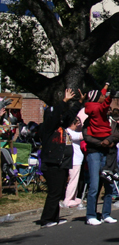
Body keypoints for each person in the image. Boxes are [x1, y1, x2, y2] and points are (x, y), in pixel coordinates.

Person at [39, 88, 83, 227]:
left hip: (61, 163)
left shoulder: (61, 126)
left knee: (59, 192)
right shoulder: (48, 128)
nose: (60, 118)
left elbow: (69, 115)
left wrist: (79, 102)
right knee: (54, 192)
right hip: (51, 163)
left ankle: (54, 217)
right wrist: (64, 101)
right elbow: (55, 115)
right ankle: (46, 219)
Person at [82, 85, 119, 182]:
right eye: (102, 96)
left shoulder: (91, 107)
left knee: (112, 149)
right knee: (112, 150)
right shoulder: (98, 110)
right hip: (102, 136)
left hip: (100, 136)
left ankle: (111, 170)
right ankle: (109, 169)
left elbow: (100, 95)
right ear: (97, 99)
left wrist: (107, 85)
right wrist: (111, 97)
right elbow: (105, 105)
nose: (104, 96)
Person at [62, 116, 84, 209]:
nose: (78, 126)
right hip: (74, 161)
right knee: (73, 181)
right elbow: (81, 136)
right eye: (77, 124)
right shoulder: (69, 132)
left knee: (75, 180)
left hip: (77, 160)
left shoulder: (71, 132)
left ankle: (73, 198)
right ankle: (67, 199)